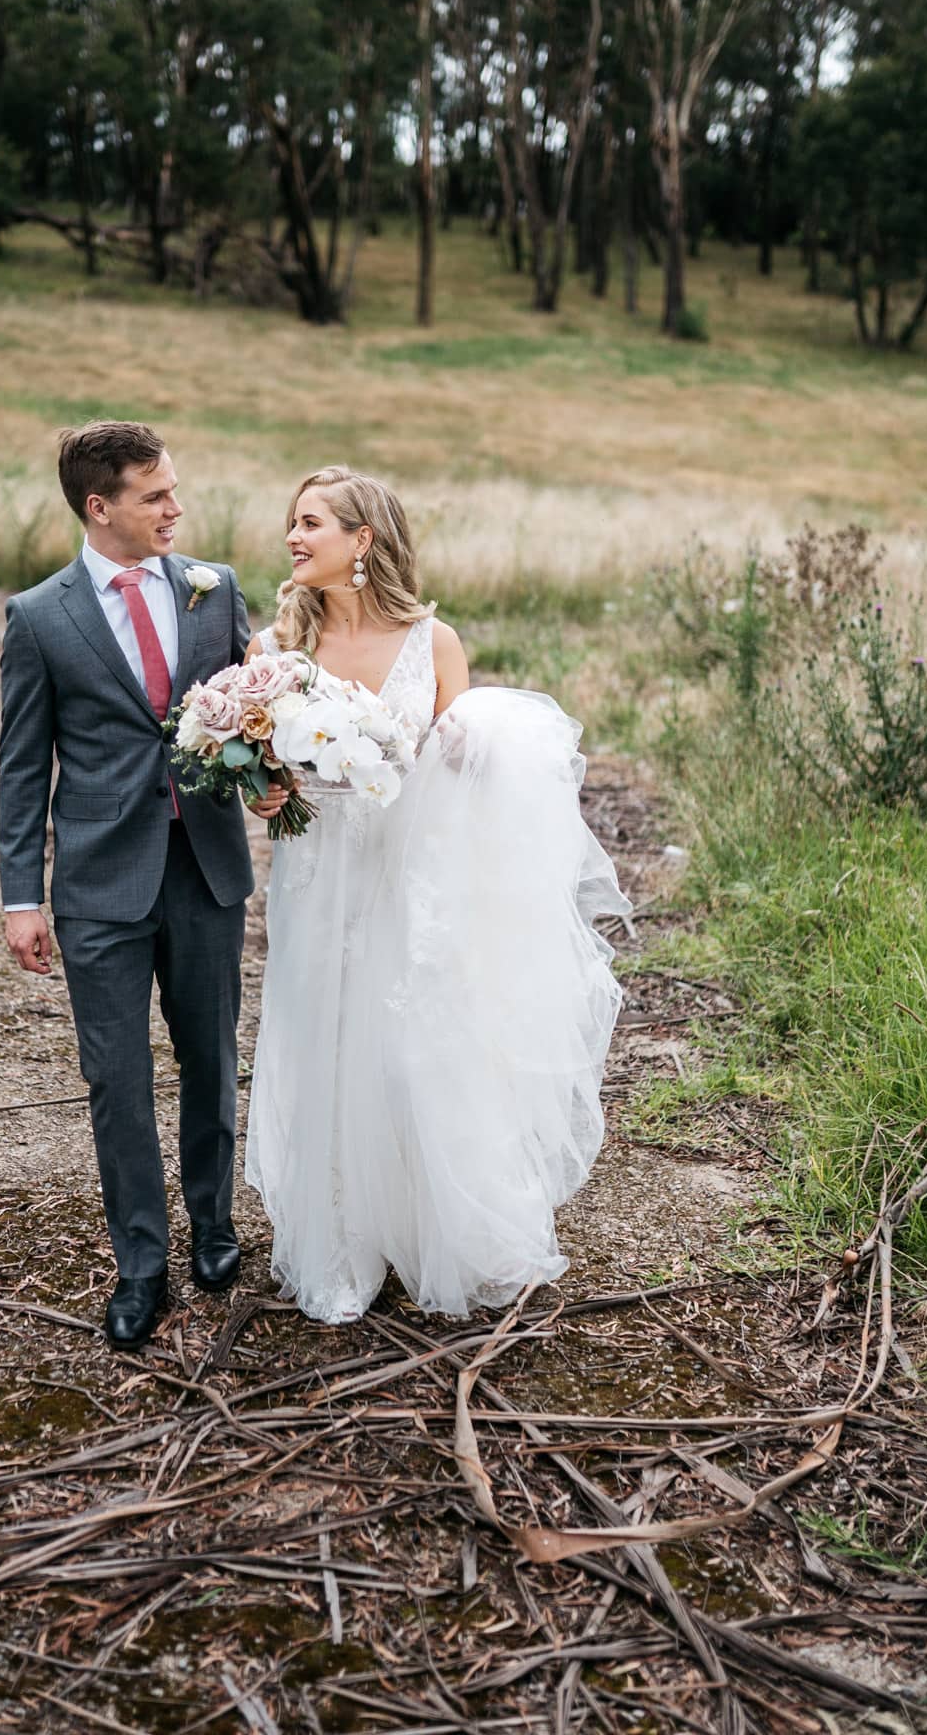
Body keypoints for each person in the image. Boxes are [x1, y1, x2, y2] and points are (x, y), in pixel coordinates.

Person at [244, 466, 630, 1324]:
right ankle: (340, 1237)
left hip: (409, 875)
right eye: (291, 526)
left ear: (363, 541)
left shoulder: (433, 642)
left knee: (412, 1043)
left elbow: (470, 767)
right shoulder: (273, 652)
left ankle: (428, 1229)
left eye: (310, 524)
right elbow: (258, 774)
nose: (293, 539)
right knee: (321, 1037)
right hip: (314, 874)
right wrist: (260, 792)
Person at [0, 421, 253, 1350]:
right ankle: (141, 1266)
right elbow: (23, 767)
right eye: (155, 496)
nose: (176, 508)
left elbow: (255, 707)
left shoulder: (214, 589)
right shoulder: (40, 617)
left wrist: (275, 775)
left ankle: (214, 1227)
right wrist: (20, 896)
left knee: (213, 1060)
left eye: (175, 489)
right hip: (99, 884)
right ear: (99, 508)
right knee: (117, 1079)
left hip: (206, 867)